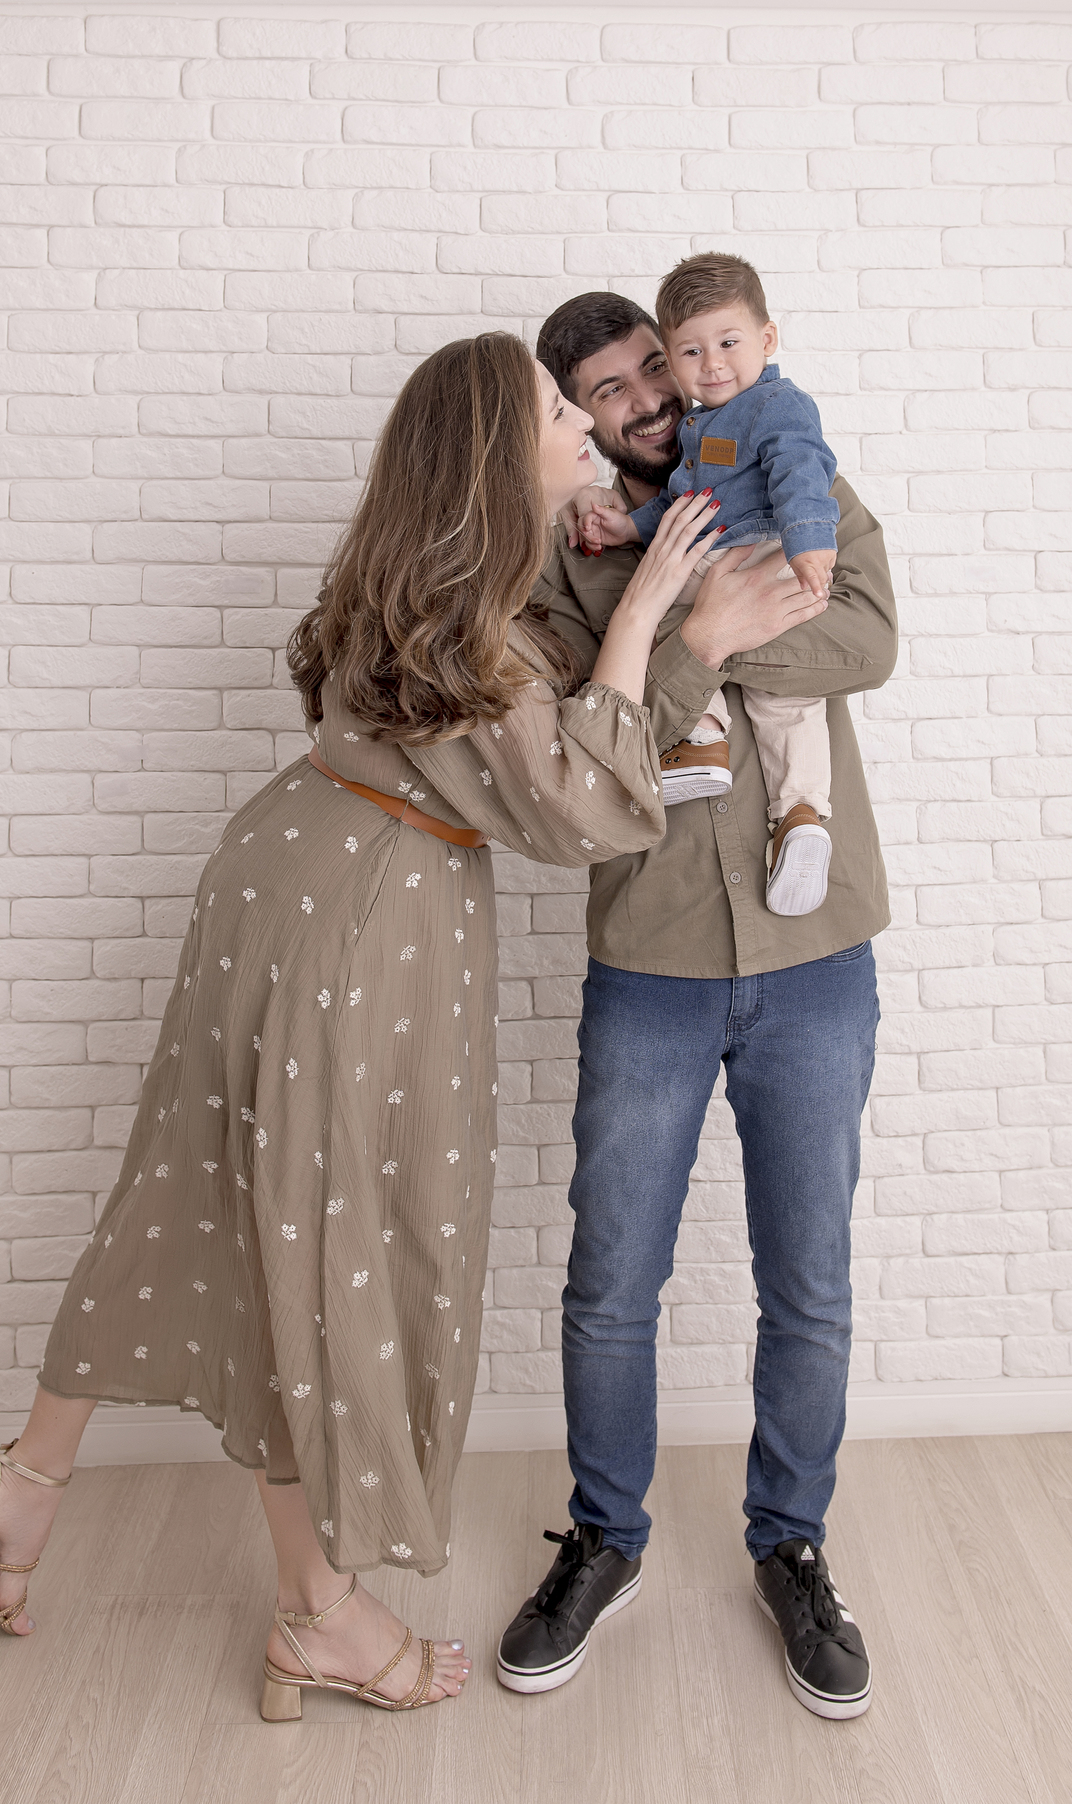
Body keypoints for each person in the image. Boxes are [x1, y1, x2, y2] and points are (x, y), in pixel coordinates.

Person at [0, 332, 825, 1723]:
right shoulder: (470, 610)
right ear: (498, 451)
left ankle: (29, 1479)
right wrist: (671, 624)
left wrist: (631, 598)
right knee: (315, 1242)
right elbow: (576, 808)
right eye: (560, 411)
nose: (588, 428)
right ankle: (319, 1612)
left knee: (219, 1198)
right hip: (360, 924)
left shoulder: (429, 578)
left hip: (288, 875)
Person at [495, 291, 897, 1721]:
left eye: (651, 371)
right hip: (650, 964)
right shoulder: (557, 562)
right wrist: (692, 626)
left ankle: (791, 1545)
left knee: (811, 1280)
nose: (647, 401)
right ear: (580, 414)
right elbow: (576, 743)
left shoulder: (790, 461)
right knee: (612, 1280)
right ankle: (604, 1539)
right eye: (605, 392)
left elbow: (868, 637)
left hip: (816, 957)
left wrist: (701, 632)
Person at [573, 254, 843, 919]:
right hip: (703, 554)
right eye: (692, 352)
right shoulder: (700, 432)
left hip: (768, 554)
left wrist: (809, 542)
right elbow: (682, 504)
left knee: (789, 701)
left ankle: (800, 816)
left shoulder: (777, 407)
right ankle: (704, 739)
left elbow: (801, 470)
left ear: (767, 340)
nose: (713, 365)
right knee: (657, 617)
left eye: (728, 344)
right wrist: (626, 527)